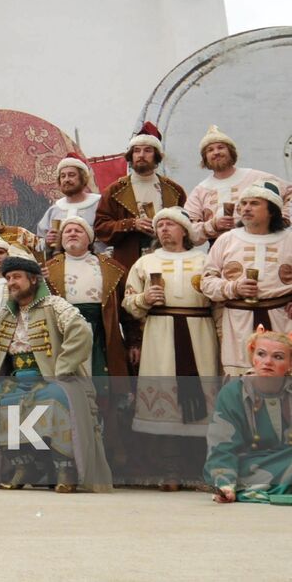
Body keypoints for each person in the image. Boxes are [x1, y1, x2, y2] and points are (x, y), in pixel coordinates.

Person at [0, 255, 113, 492]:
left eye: (16, 277)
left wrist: (63, 368)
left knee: (55, 401)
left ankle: (65, 469)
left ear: (34, 280)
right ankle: (25, 465)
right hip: (17, 381)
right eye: (8, 278)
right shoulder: (5, 312)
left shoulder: (55, 304)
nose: (11, 282)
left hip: (52, 378)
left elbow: (81, 331)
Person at [124, 207, 218, 489]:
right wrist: (143, 298)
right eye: (160, 224)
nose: (164, 229)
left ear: (184, 231)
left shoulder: (204, 260)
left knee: (203, 397)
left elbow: (217, 297)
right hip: (160, 335)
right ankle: (171, 470)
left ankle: (203, 470)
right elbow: (128, 304)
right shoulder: (146, 262)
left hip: (199, 333)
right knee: (167, 402)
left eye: (170, 224)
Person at [201, 181, 292, 376]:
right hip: (238, 321)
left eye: (254, 203)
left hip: (282, 319)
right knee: (239, 378)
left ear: (271, 210)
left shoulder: (289, 240)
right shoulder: (227, 239)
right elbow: (206, 282)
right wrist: (234, 288)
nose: (246, 208)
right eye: (243, 203)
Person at [205, 328, 292, 503]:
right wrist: (225, 483)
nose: (267, 362)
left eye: (278, 357)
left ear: (290, 364)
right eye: (261, 354)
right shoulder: (233, 393)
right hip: (250, 468)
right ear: (252, 357)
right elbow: (221, 446)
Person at [46, 216, 131, 379]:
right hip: (64, 336)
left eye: (78, 230)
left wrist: (134, 341)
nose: (72, 233)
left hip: (102, 333)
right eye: (67, 231)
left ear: (89, 238)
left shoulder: (112, 267)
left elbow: (126, 309)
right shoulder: (48, 269)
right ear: (61, 238)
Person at [95, 123, 187, 271]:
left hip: (168, 261)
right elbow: (101, 228)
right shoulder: (114, 191)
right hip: (129, 262)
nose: (141, 155)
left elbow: (186, 228)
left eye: (147, 150)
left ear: (157, 155)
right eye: (136, 151)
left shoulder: (174, 191)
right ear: (131, 155)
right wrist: (131, 224)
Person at [184, 125, 290, 246]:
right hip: (219, 249)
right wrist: (213, 225)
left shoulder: (256, 177)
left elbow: (289, 193)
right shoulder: (200, 190)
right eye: (210, 150)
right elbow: (188, 230)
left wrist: (283, 220)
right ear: (205, 158)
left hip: (261, 243)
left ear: (231, 152)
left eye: (221, 147)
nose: (216, 152)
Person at [36, 153, 102, 256]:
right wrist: (47, 242)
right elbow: (39, 247)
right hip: (61, 267)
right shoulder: (54, 211)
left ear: (82, 178)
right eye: (63, 176)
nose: (66, 179)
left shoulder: (99, 205)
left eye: (71, 175)